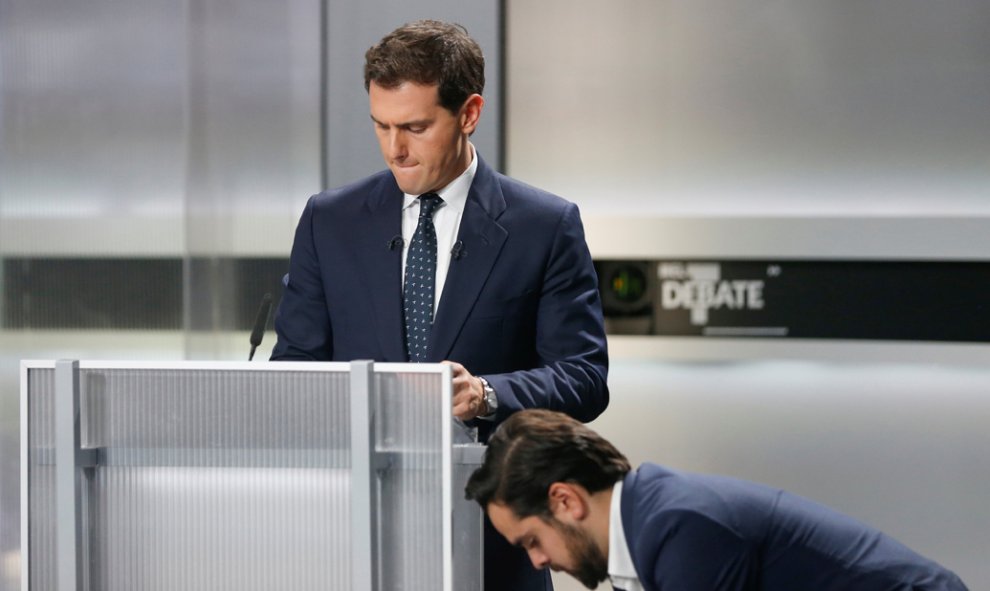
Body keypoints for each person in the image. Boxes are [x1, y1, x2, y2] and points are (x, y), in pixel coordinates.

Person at [270, 20, 609, 590]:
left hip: (494, 548)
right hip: (355, 541)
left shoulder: (544, 227)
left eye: (415, 127)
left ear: (469, 113)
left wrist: (486, 395)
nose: (394, 149)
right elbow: (295, 373)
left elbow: (584, 379)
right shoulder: (330, 221)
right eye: (381, 126)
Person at [466, 409, 969, 591]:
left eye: (532, 540)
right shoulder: (645, 528)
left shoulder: (680, 529)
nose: (537, 561)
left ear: (566, 501)